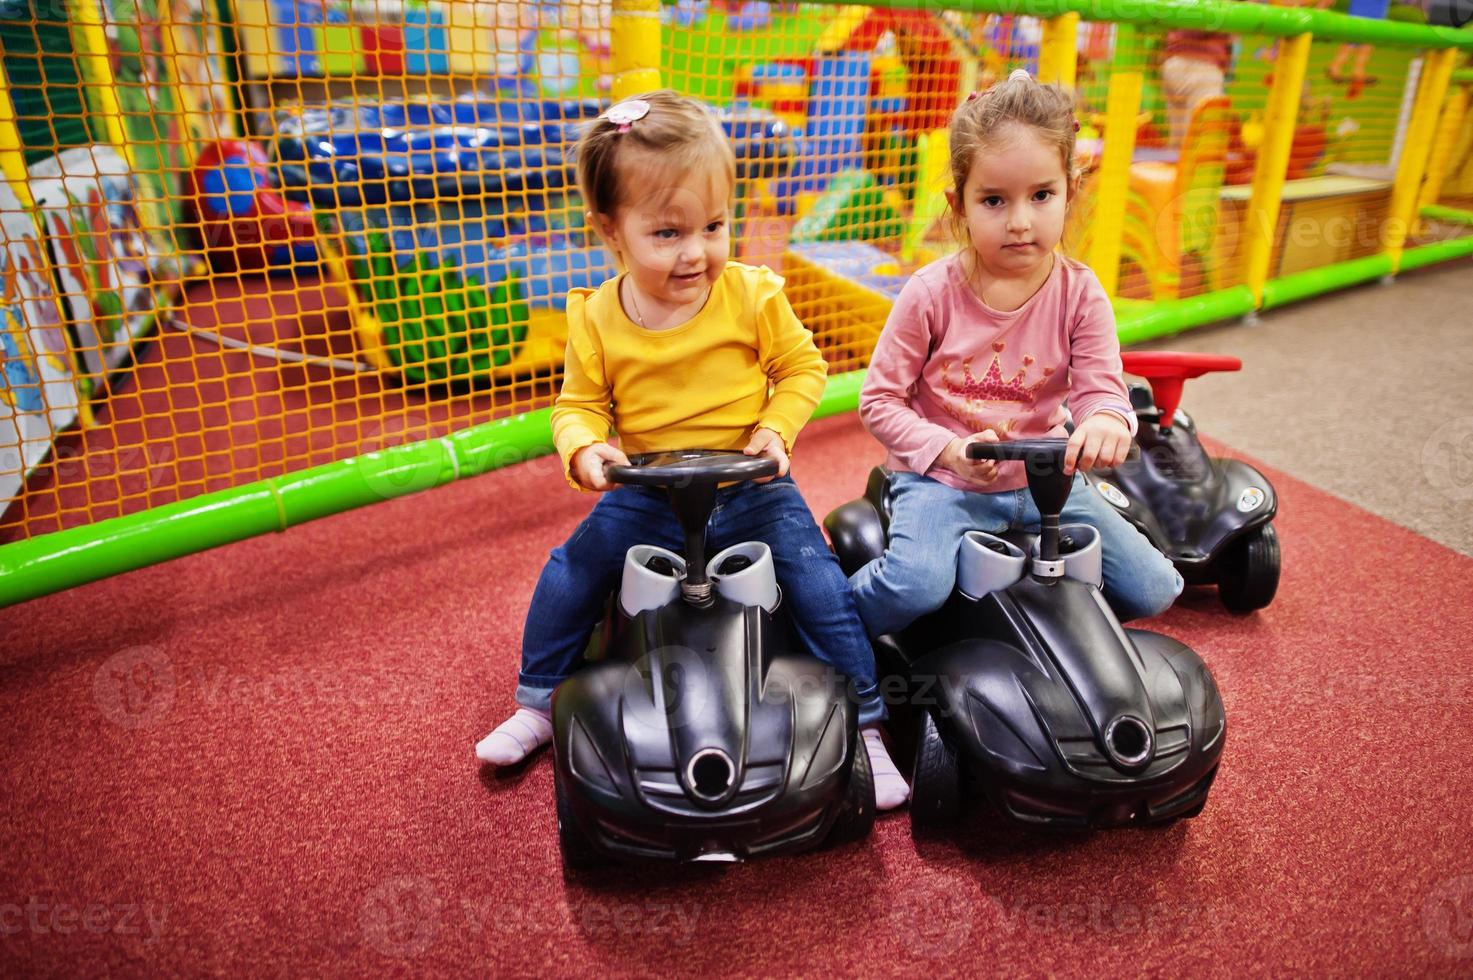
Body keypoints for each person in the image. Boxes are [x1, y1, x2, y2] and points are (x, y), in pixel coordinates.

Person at [474, 90, 909, 810]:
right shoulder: (596, 318)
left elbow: (802, 369)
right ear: (610, 231)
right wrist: (586, 452)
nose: (697, 252)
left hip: (752, 490)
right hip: (648, 493)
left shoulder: (751, 295)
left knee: (819, 585)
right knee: (569, 568)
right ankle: (536, 701)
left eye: (714, 225)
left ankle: (865, 724)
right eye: (668, 233)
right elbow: (578, 406)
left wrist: (774, 431)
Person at [849, 71, 1185, 640]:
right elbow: (879, 401)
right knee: (916, 586)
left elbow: (1103, 387)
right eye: (994, 200)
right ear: (959, 203)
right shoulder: (930, 293)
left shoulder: (1081, 293)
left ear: (1070, 192)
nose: (1020, 220)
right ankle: (829, 618)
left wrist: (1107, 418)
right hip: (944, 485)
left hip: (1046, 482)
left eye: (1041, 196)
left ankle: (1044, 637)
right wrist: (946, 450)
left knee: (1156, 587)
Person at [1161, 29, 1233, 149]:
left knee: (1178, 139)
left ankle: (1176, 162)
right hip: (1203, 67)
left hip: (1174, 62)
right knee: (1197, 139)